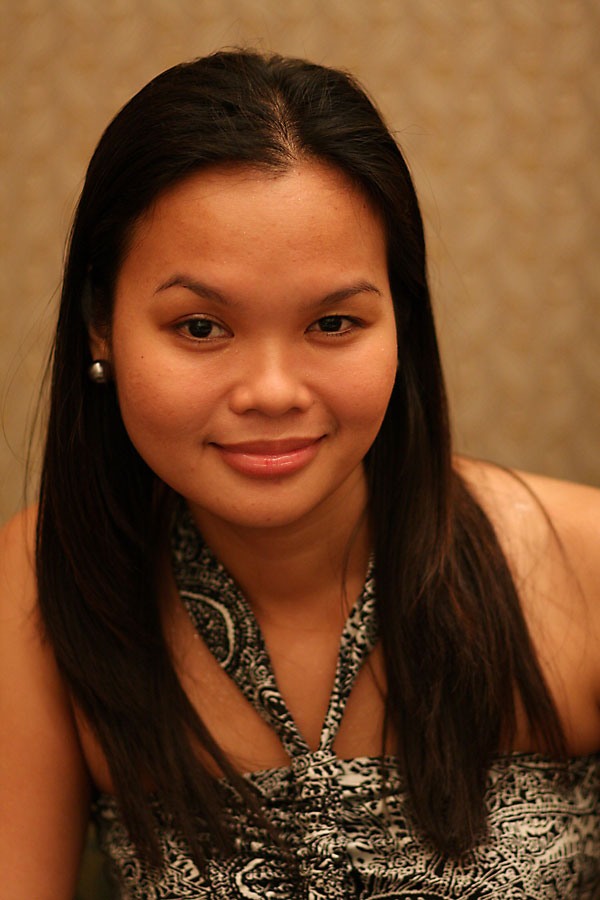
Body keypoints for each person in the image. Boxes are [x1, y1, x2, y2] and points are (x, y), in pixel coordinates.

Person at [1, 49, 599, 900]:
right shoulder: (42, 579)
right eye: (201, 327)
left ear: (401, 319)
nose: (273, 392)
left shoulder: (585, 562)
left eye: (333, 323)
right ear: (101, 321)